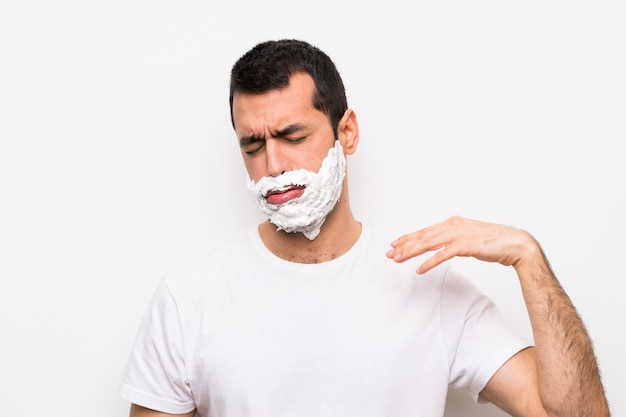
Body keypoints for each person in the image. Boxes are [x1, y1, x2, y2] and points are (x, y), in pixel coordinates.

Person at [119, 39, 610, 417]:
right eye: (252, 145)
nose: (272, 165)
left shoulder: (430, 289)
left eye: (293, 136)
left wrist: (529, 257)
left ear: (346, 132)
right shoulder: (189, 298)